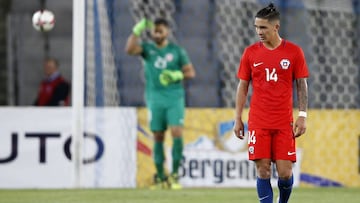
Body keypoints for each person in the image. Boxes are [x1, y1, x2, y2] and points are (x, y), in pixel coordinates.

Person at [233, 3, 308, 203]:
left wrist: (302, 115)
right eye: (256, 27)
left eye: (263, 27)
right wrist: (237, 118)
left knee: (285, 172)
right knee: (263, 170)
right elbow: (242, 86)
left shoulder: (293, 52)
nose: (259, 32)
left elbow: (301, 84)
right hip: (258, 121)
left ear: (276, 27)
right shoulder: (250, 53)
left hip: (284, 122)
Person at [125, 18, 196, 189]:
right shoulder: (147, 49)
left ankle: (174, 175)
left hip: (174, 97)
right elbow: (129, 50)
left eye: (160, 30)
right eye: (154, 30)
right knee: (157, 135)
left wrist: (176, 76)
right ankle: (161, 177)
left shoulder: (177, 51)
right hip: (155, 97)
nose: (157, 33)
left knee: (176, 132)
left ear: (167, 32)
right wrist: (136, 31)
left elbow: (190, 72)